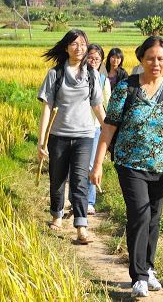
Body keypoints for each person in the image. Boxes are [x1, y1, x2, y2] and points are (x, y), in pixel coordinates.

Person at [90, 36, 163, 298]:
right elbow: (109, 128)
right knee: (140, 214)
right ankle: (138, 275)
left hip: (162, 166)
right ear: (141, 59)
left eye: (161, 58)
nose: (156, 63)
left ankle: (148, 268)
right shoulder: (126, 89)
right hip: (130, 164)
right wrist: (97, 165)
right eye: (150, 58)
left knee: (153, 217)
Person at [37, 29, 105, 245]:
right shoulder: (54, 74)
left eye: (83, 44)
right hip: (59, 135)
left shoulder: (92, 75)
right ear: (66, 47)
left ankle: (81, 226)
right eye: (74, 44)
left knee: (79, 180)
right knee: (57, 178)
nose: (79, 48)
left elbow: (97, 107)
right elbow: (47, 108)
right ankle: (57, 215)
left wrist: (110, 131)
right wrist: (41, 141)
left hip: (85, 136)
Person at [85, 44, 112, 215]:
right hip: (77, 127)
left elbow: (108, 104)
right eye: (91, 57)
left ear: (101, 61)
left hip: (95, 127)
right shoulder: (76, 75)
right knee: (76, 166)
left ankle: (89, 201)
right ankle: (76, 199)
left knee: (90, 164)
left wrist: (108, 129)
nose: (93, 61)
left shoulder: (103, 80)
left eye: (97, 59)